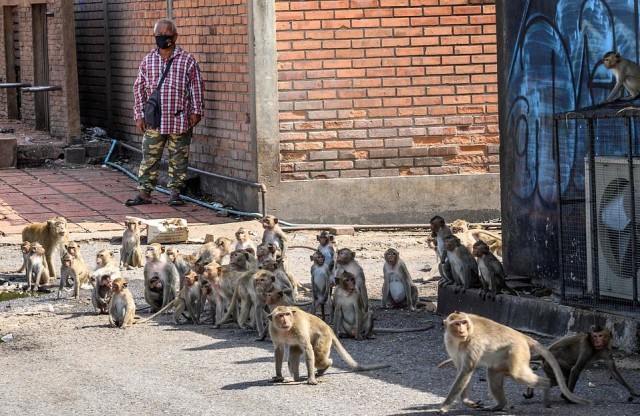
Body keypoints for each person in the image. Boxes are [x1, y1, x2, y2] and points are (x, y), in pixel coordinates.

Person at [126, 18, 204, 207]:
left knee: (179, 159)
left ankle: (175, 194)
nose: (162, 38)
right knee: (150, 157)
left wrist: (197, 111)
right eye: (158, 35)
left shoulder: (187, 60)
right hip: (154, 120)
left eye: (166, 35)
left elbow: (196, 87)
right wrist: (139, 114)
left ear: (175, 37)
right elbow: (139, 89)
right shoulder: (148, 60)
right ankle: (144, 193)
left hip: (179, 119)